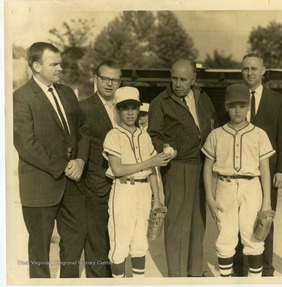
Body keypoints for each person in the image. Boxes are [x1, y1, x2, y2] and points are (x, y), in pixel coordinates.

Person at [13, 42, 90, 278]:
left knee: (76, 238)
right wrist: (63, 167)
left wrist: (80, 161)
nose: (60, 68)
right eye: (54, 64)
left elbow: (83, 130)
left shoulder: (67, 93)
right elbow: (26, 144)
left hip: (72, 185)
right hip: (40, 186)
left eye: (60, 63)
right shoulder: (21, 98)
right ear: (36, 66)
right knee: (39, 249)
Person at [148, 59, 216, 277]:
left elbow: (212, 125)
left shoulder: (203, 97)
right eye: (174, 78)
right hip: (177, 168)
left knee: (198, 223)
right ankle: (176, 276)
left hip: (202, 167)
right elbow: (153, 134)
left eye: (183, 79)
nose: (177, 84)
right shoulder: (161, 102)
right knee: (177, 224)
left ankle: (194, 273)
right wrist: (164, 146)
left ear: (193, 79)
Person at [202, 84, 275, 277]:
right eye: (233, 105)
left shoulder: (259, 134)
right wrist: (210, 197)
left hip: (251, 186)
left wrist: (267, 200)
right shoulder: (216, 134)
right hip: (225, 186)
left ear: (248, 107)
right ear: (226, 106)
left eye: (242, 106)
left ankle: (254, 281)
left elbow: (265, 169)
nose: (237, 110)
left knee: (254, 237)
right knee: (225, 236)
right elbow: (207, 167)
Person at [102, 86, 173, 278]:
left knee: (140, 243)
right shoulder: (113, 135)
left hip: (143, 192)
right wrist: (151, 161)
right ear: (117, 110)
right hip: (123, 190)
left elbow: (152, 172)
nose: (131, 112)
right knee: (120, 244)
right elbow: (117, 169)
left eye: (134, 107)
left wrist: (157, 199)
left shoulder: (144, 135)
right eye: (125, 108)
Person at [233, 52, 282, 277]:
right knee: (239, 221)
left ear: (263, 71)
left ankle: (266, 269)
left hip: (267, 173)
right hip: (241, 173)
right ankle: (240, 268)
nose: (250, 73)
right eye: (246, 69)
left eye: (254, 69)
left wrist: (280, 170)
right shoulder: (235, 97)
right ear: (241, 71)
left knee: (265, 220)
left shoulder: (277, 100)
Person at [79, 60, 122, 277]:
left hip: (123, 186)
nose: (109, 84)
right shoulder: (84, 107)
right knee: (97, 241)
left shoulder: (125, 107)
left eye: (114, 80)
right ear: (95, 79)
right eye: (105, 78)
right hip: (96, 186)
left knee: (118, 241)